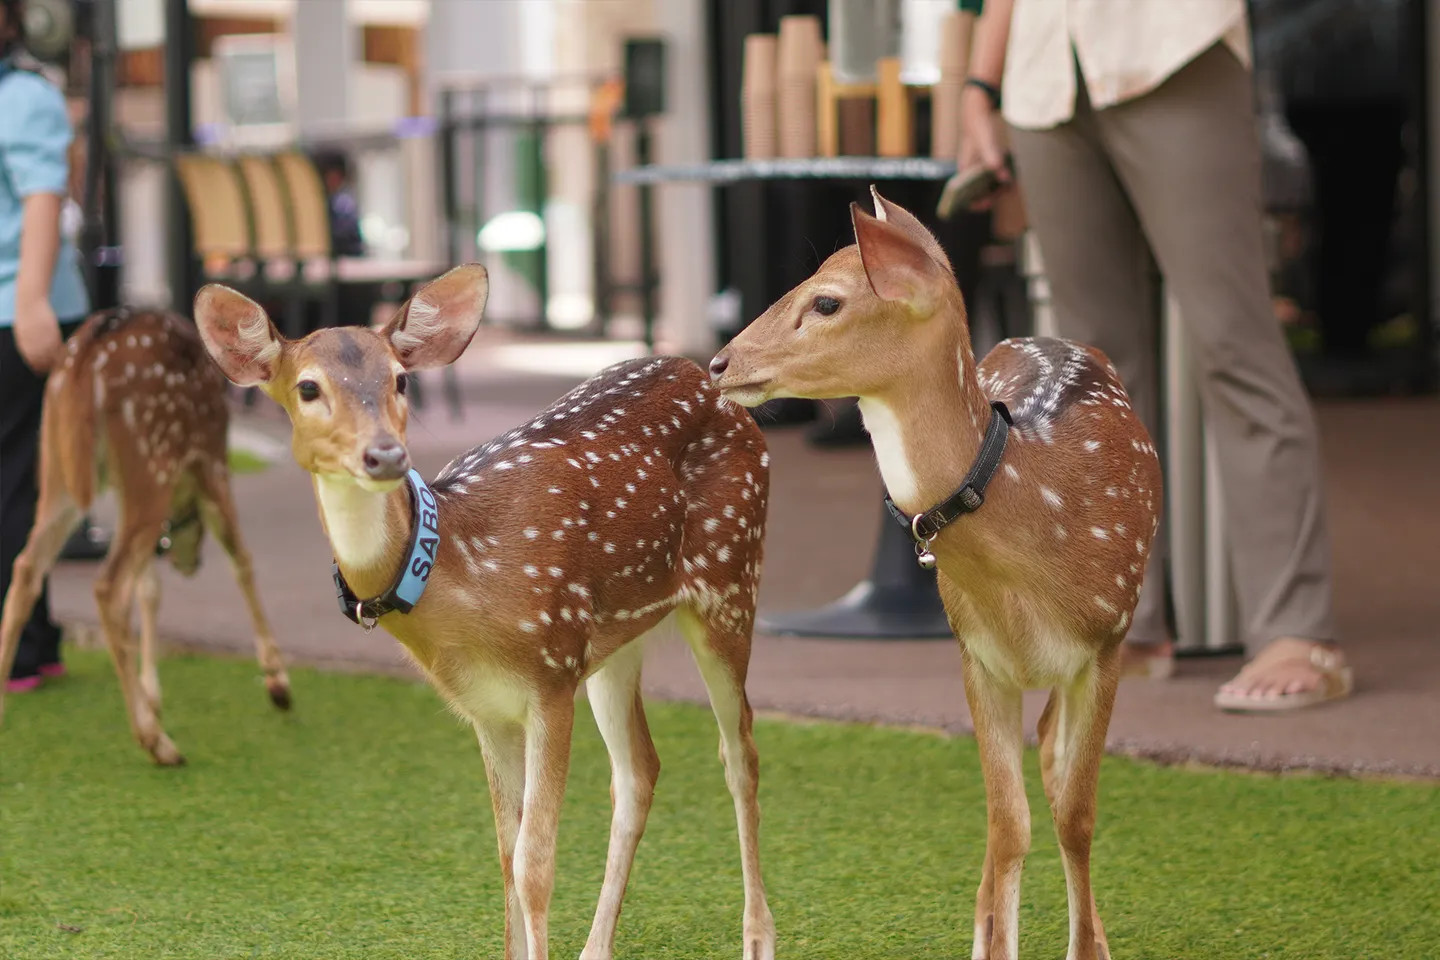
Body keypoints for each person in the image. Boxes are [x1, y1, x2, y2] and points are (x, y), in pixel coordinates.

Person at [957, 0, 1351, 712]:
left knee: (1234, 341)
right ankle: (1124, 622)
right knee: (1087, 371)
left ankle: (1298, 633)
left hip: (1171, 48)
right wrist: (980, 88)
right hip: (1045, 74)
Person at [0, 0, 92, 692]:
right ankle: (35, 637)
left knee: (18, 485)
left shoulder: (25, 97)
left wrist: (31, 300)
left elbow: (42, 197)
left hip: (20, 317)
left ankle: (25, 645)